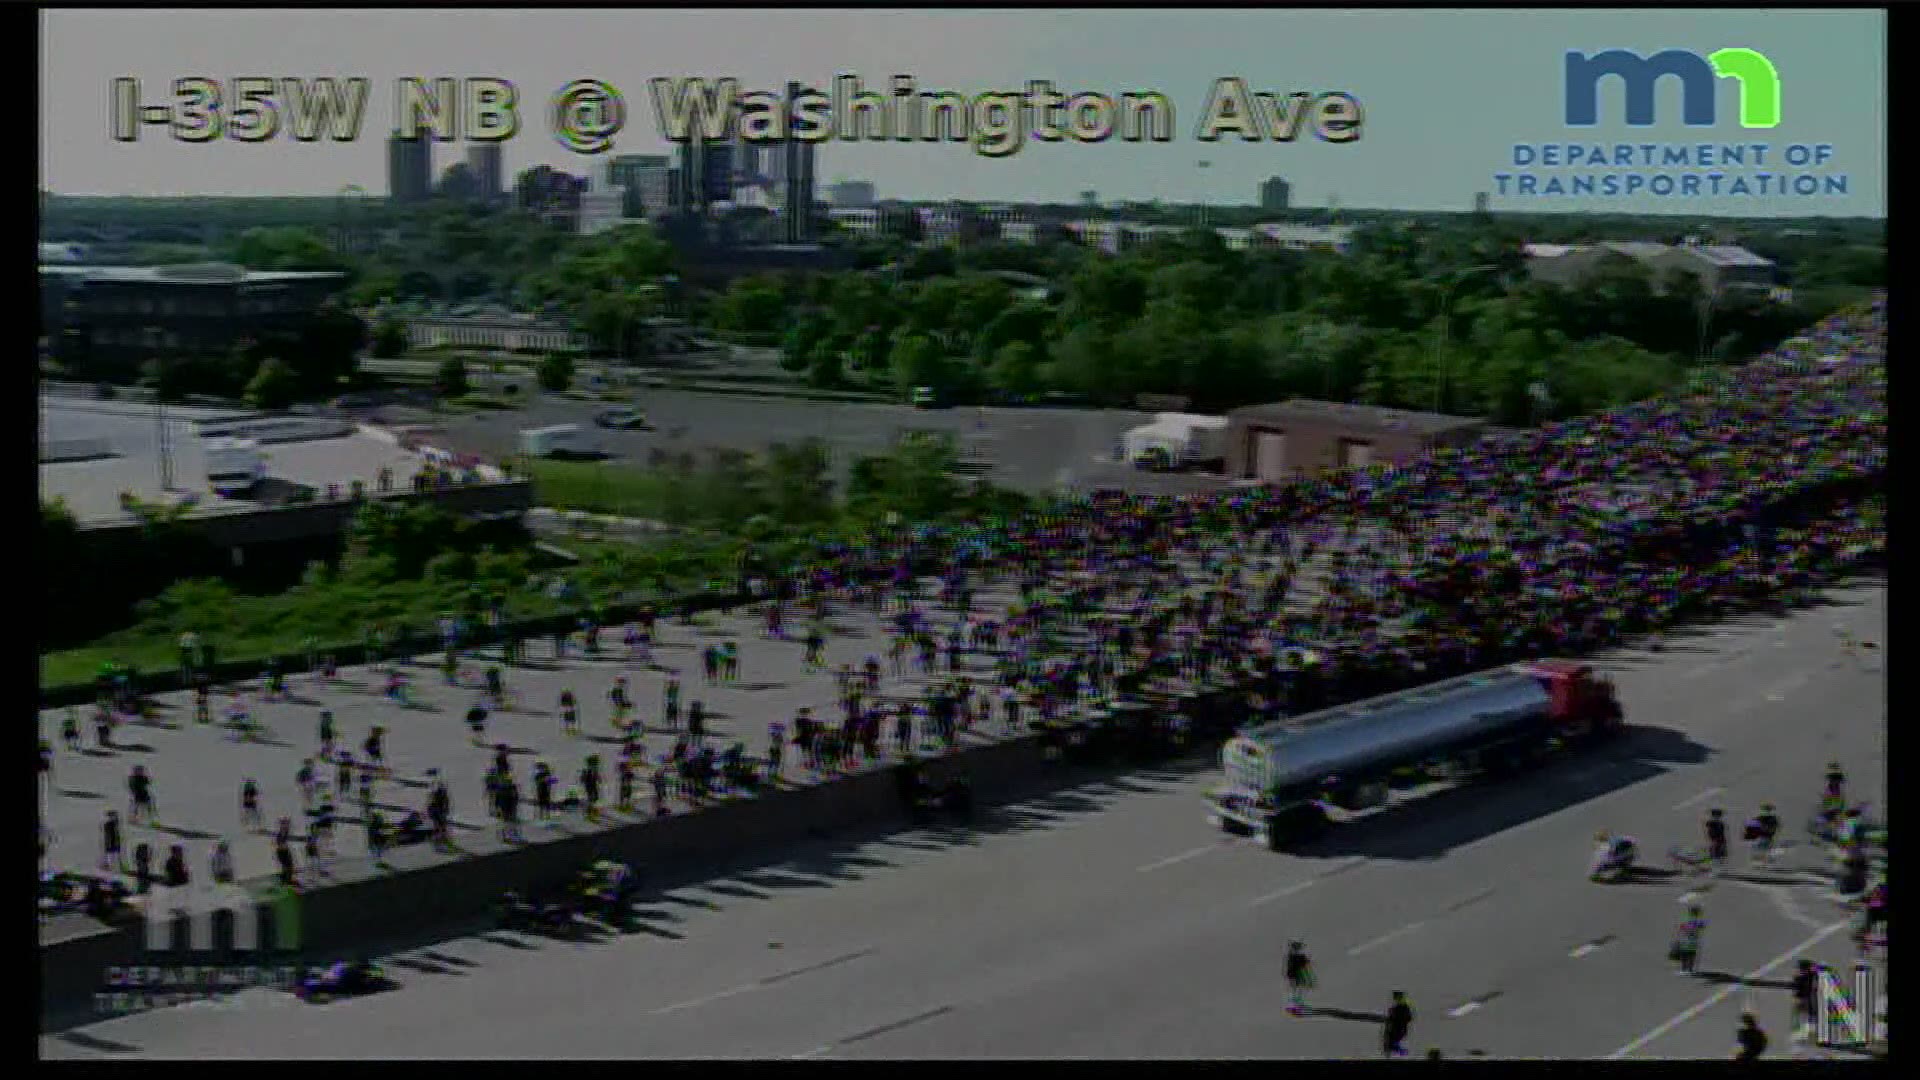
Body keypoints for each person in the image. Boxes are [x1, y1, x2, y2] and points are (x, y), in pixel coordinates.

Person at [1672, 906, 1707, 975]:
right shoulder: (1698, 920)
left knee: (1685, 954)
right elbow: (1702, 926)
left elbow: (1682, 927)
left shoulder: (1688, 919)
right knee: (1691, 954)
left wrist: (1679, 936)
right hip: (1693, 940)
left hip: (1686, 940)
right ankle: (1690, 969)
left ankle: (1684, 969)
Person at [1790, 960, 1817, 1041]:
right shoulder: (1812, 975)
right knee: (1808, 1015)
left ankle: (1803, 1033)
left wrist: (1795, 998)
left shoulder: (1799, 978)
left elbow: (1797, 989)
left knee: (1801, 1016)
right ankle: (1809, 1030)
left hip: (1803, 999)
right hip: (1808, 999)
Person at [1284, 942, 1314, 1015]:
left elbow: (1289, 966)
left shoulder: (1290, 956)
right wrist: (1308, 960)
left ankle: (1294, 1005)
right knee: (1299, 990)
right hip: (1298, 975)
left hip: (1292, 975)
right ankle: (1296, 1006)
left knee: (1294, 990)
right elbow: (1305, 964)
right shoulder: (1300, 956)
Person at [1383, 991, 1414, 1058]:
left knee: (1391, 1043)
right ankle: (1401, 1053)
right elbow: (1408, 1018)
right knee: (1392, 1043)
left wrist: (1392, 1016)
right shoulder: (1401, 1007)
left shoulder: (1401, 1007)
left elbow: (1406, 1018)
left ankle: (1402, 1053)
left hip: (1397, 1029)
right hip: (1398, 1029)